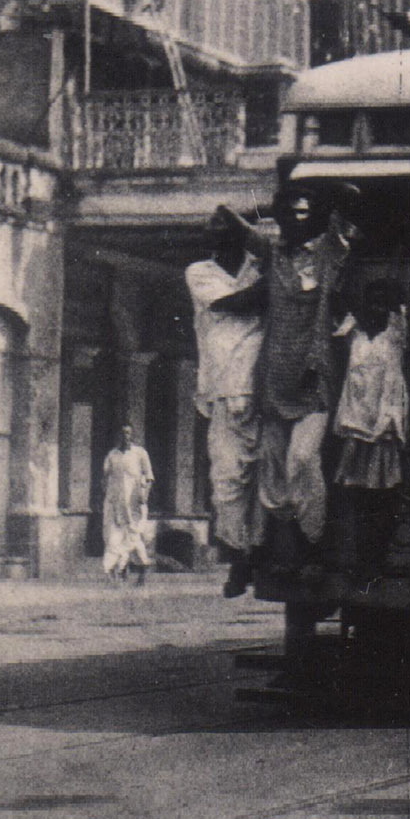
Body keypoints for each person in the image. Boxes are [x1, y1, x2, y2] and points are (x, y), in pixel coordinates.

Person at [226, 184, 360, 575]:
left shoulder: (327, 255)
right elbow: (239, 229)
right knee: (271, 467)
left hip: (313, 377)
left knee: (302, 460)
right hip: (275, 377)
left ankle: (313, 544)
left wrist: (329, 192)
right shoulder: (274, 255)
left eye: (305, 212)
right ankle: (288, 548)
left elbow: (345, 213)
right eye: (291, 212)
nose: (298, 218)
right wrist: (224, 206)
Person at [185, 206, 265, 597]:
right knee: (229, 477)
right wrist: (278, 283)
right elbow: (235, 304)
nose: (213, 236)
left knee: (271, 475)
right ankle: (238, 558)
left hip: (265, 387)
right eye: (211, 229)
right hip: (223, 389)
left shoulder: (261, 265)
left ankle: (260, 553)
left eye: (223, 229)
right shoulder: (200, 273)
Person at [332, 279, 410, 577]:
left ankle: (377, 558)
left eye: (383, 302)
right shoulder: (354, 333)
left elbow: (400, 298)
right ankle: (359, 557)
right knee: (356, 494)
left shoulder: (395, 332)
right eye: (372, 301)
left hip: (382, 423)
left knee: (382, 493)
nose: (377, 307)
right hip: (356, 421)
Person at [100, 424, 156, 583]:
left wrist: (144, 496)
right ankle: (112, 569)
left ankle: (141, 567)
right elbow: (105, 478)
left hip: (134, 503)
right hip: (115, 503)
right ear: (118, 435)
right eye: (122, 433)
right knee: (113, 536)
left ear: (132, 435)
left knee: (133, 536)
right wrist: (108, 496)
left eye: (128, 433)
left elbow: (149, 477)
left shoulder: (140, 453)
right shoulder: (113, 455)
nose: (125, 436)